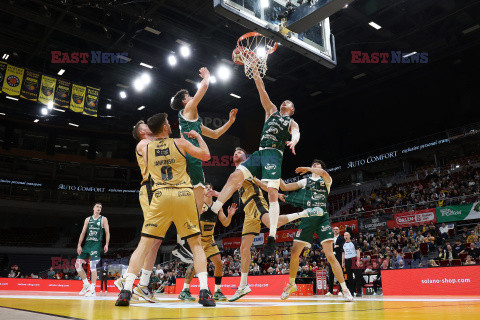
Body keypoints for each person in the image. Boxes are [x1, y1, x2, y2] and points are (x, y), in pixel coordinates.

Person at [115, 113, 215, 307]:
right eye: (168, 123)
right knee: (195, 244)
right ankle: (204, 291)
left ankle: (126, 290)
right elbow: (206, 155)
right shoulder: (179, 142)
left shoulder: (148, 148)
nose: (170, 124)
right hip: (182, 194)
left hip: (159, 195)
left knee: (144, 243)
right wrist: (199, 137)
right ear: (164, 128)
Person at [209, 72, 300, 257]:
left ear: (292, 110)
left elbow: (297, 133)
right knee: (235, 176)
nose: (285, 103)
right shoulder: (271, 111)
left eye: (288, 103)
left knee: (272, 194)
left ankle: (272, 237)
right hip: (260, 152)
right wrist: (256, 74)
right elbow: (262, 90)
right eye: (284, 101)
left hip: (274, 155)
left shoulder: (291, 122)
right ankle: (214, 210)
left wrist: (294, 141)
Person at [226, 147, 304, 302]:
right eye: (234, 151)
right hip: (247, 211)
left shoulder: (246, 169)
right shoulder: (235, 173)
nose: (236, 153)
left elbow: (260, 184)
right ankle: (243, 286)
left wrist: (276, 192)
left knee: (271, 224)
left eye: (240, 151)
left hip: (256, 201)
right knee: (243, 248)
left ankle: (302, 214)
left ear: (245, 156)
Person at [276, 160, 353, 302]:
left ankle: (345, 289)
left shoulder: (326, 180)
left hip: (322, 217)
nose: (315, 166)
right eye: (313, 165)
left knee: (330, 255)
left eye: (317, 165)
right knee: (294, 253)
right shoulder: (305, 181)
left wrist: (307, 168)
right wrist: (274, 170)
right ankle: (292, 285)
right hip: (307, 217)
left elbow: (323, 173)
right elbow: (284, 186)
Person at [170, 67, 238, 216]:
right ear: (184, 101)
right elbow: (205, 86)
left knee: (191, 193)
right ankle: (193, 230)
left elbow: (214, 134)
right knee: (199, 194)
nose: (192, 97)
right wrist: (207, 75)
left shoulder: (192, 120)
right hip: (192, 155)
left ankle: (186, 229)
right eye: (189, 96)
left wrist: (231, 122)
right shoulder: (188, 109)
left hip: (185, 156)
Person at [178, 183, 238, 301]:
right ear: (203, 191)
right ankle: (184, 290)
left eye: (211, 187)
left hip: (209, 240)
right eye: (207, 188)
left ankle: (217, 291)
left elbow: (225, 223)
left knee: (219, 263)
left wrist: (230, 215)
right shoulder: (199, 204)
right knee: (195, 264)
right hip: (198, 239)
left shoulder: (218, 206)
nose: (209, 189)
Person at [75, 203, 110, 297]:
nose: (99, 208)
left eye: (100, 207)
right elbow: (82, 233)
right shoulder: (87, 219)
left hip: (96, 245)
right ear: (93, 208)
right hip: (87, 245)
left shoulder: (103, 219)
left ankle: (93, 289)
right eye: (97, 207)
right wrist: (79, 245)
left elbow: (107, 232)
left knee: (93, 266)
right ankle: (86, 284)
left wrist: (106, 244)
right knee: (77, 265)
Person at [342, 232, 363, 297]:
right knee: (349, 277)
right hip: (347, 260)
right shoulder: (343, 244)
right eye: (344, 235)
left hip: (354, 259)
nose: (346, 236)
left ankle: (359, 291)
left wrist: (358, 260)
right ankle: (351, 292)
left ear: (349, 236)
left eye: (347, 235)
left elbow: (358, 252)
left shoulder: (354, 243)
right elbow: (343, 254)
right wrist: (342, 262)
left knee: (357, 276)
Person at [326, 226, 345, 296]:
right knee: (330, 274)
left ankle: (341, 290)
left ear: (339, 231)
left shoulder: (342, 238)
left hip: (338, 258)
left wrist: (335, 247)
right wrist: (336, 247)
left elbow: (341, 247)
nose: (335, 230)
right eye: (334, 229)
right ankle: (330, 291)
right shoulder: (330, 238)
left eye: (337, 229)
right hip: (331, 258)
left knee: (340, 274)